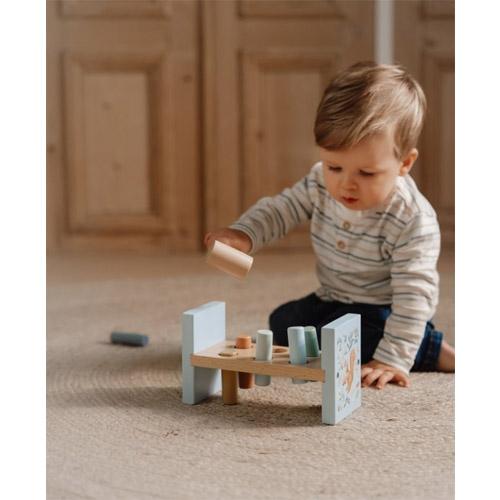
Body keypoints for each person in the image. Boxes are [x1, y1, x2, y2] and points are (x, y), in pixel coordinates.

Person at [204, 61, 455, 390]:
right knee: (283, 323)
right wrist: (243, 234)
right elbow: (282, 209)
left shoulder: (412, 219)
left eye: (366, 173)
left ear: (404, 163)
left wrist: (392, 359)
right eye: (334, 166)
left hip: (383, 309)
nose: (346, 184)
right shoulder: (320, 183)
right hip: (334, 296)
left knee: (348, 342)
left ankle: (431, 348)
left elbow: (414, 296)